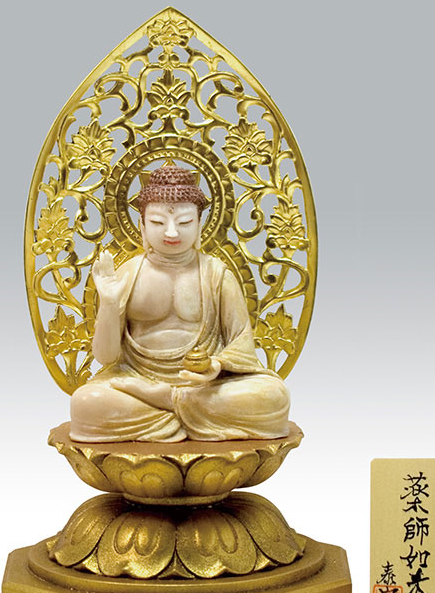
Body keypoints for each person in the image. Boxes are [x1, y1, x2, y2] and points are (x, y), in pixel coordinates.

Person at [69, 164, 290, 442]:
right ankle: (183, 409)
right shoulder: (129, 273)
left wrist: (216, 365)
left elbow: (242, 342)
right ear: (142, 225)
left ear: (199, 225)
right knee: (87, 402)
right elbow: (106, 357)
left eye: (184, 223)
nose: (171, 233)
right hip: (137, 380)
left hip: (203, 387)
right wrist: (110, 304)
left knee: (274, 396)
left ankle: (169, 401)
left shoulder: (217, 274)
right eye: (158, 223)